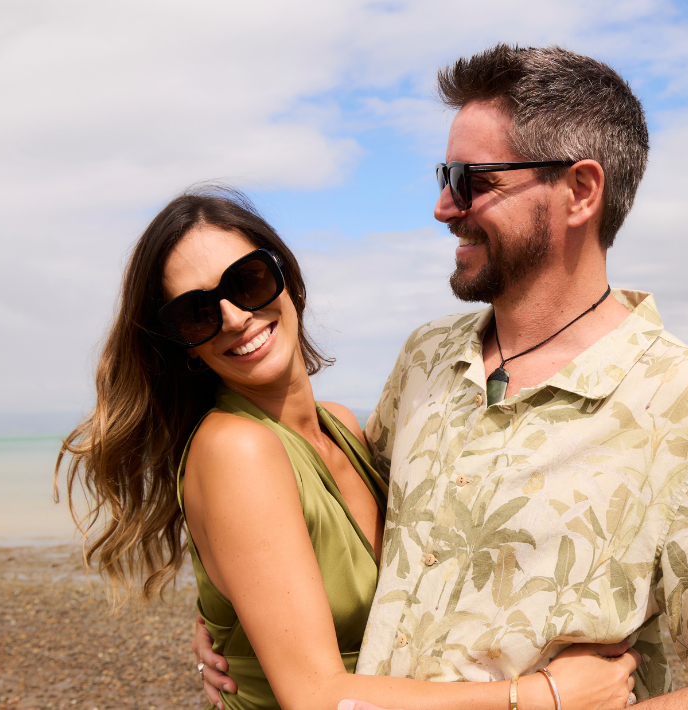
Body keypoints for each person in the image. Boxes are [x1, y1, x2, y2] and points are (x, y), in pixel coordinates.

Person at [197, 44, 688, 709]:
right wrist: (234, 610)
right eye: (443, 176)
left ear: (580, 191)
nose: (443, 207)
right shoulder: (425, 358)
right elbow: (343, 533)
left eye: (471, 180)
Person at [57, 187, 640, 710]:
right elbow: (315, 697)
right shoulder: (236, 450)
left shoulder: (341, 425)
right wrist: (544, 696)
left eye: (247, 282)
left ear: (285, 276)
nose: (234, 318)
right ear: (183, 344)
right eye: (196, 313)